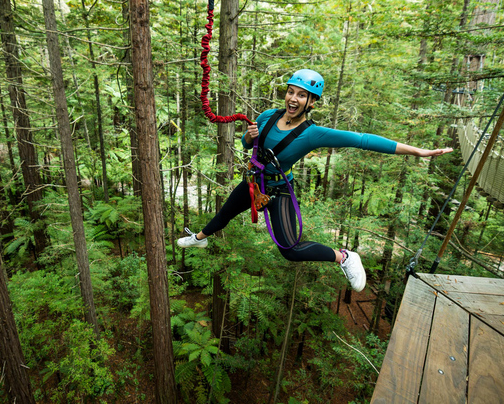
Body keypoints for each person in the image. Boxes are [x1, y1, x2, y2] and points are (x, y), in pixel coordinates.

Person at [177, 69, 453, 292]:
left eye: (302, 95)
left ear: (312, 102)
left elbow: (363, 140)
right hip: (254, 182)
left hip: (278, 190)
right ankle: (199, 238)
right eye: (291, 92)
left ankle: (344, 256)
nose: (293, 99)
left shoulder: (313, 134)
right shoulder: (266, 116)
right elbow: (248, 144)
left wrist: (418, 151)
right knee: (225, 213)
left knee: (290, 250)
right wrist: (249, 137)